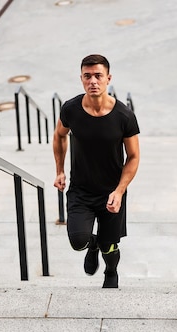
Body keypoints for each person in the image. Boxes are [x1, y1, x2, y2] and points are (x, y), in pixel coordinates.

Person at [53, 54, 140, 288]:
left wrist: (120, 191)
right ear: (81, 79)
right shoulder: (71, 109)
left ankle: (111, 272)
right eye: (87, 76)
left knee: (109, 246)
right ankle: (92, 244)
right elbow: (60, 135)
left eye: (98, 76)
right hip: (81, 190)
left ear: (108, 78)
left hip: (112, 192)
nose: (93, 81)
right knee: (77, 241)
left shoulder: (124, 116)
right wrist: (60, 170)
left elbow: (133, 157)